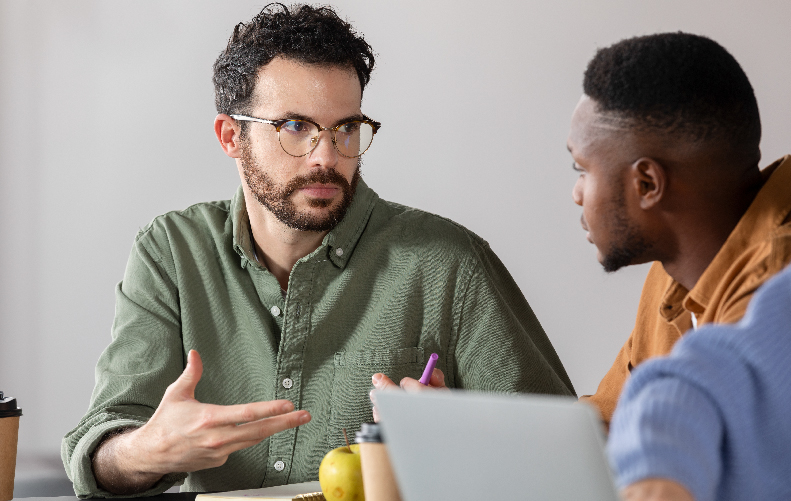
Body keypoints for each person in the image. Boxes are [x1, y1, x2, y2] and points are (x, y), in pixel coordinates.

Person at [61, 4, 574, 497]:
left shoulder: (450, 263)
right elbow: (101, 448)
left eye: (346, 128)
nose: (326, 157)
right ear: (230, 137)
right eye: (295, 127)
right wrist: (146, 450)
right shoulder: (171, 251)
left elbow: (565, 460)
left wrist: (464, 447)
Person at [567, 32, 791, 426]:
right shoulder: (679, 264)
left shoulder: (780, 290)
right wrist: (456, 422)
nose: (577, 194)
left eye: (582, 170)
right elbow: (606, 422)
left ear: (647, 185)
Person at [607, 257, 791, 501]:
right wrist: (659, 471)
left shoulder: (772, 263)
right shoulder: (666, 282)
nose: (582, 220)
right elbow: (709, 382)